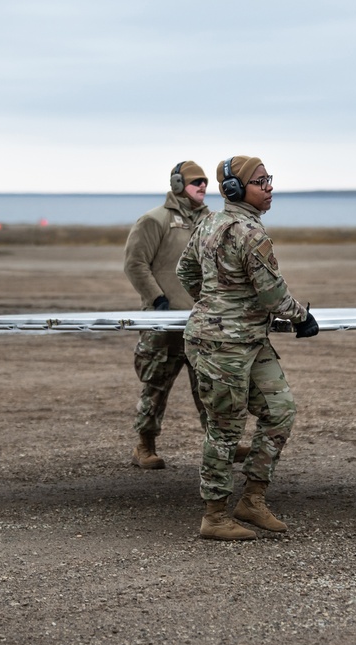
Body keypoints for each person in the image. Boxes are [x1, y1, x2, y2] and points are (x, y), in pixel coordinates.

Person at [177, 155, 319, 540]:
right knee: (225, 429)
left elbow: (185, 272)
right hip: (221, 346)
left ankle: (252, 499)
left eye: (269, 179)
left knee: (280, 410)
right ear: (237, 189)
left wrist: (214, 301)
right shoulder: (247, 232)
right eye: (261, 182)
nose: (269, 188)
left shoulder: (209, 223)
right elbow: (273, 293)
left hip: (250, 341)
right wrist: (300, 317)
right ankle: (215, 516)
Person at [123, 161, 213, 469]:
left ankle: (220, 446)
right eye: (195, 181)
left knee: (210, 386)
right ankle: (144, 446)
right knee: (156, 386)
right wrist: (157, 299)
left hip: (201, 321)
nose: (203, 185)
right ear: (177, 184)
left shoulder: (213, 221)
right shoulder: (153, 220)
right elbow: (135, 264)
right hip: (162, 323)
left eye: (205, 181)